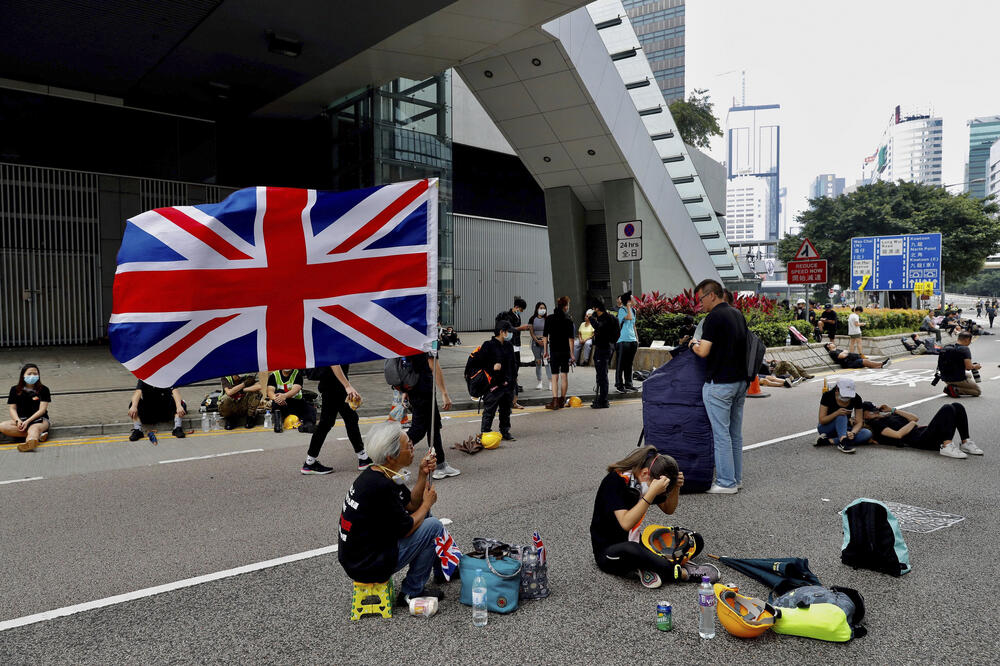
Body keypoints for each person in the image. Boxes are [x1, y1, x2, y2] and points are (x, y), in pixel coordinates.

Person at [337, 421, 445, 607]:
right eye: (407, 445)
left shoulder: (380, 472)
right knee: (433, 525)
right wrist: (426, 504)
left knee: (425, 516)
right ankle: (412, 592)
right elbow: (407, 529)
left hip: (363, 554)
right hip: (367, 564)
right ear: (391, 456)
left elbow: (411, 505)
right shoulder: (381, 485)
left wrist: (422, 474)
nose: (412, 447)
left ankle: (441, 570)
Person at [590, 446, 718, 588]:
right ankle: (681, 573)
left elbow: (668, 509)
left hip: (637, 541)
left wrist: (675, 488)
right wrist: (651, 493)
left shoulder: (646, 478)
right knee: (632, 550)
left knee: (695, 540)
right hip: (610, 552)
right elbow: (625, 523)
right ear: (645, 473)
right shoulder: (614, 481)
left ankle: (650, 565)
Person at [690, 278, 748, 494]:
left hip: (720, 384)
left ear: (711, 295)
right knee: (734, 434)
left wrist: (692, 343)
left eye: (701, 299)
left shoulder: (713, 317)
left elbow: (703, 351)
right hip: (740, 382)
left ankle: (726, 482)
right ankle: (736, 479)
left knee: (721, 434)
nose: (700, 304)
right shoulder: (736, 313)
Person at [304, 365, 371, 475]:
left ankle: (310, 462)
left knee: (327, 423)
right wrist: (347, 385)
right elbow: (334, 363)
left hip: (331, 386)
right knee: (350, 419)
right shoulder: (332, 347)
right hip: (335, 387)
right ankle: (363, 458)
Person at [404, 348, 459, 479]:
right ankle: (389, 455)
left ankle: (440, 465)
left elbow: (409, 364)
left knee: (433, 427)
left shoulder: (415, 336)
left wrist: (406, 390)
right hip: (424, 390)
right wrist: (444, 393)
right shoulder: (429, 340)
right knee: (418, 430)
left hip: (415, 388)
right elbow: (433, 365)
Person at [862, 401, 983, 459]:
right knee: (947, 408)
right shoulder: (875, 424)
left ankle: (965, 442)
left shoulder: (888, 416)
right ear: (864, 415)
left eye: (875, 408)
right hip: (918, 440)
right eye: (870, 410)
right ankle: (946, 446)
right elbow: (898, 435)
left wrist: (893, 410)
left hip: (922, 433)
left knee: (957, 406)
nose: (874, 411)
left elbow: (914, 417)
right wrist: (912, 424)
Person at [478, 320, 517, 441]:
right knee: (490, 410)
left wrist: (513, 383)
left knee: (506, 410)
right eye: (508, 332)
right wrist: (492, 367)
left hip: (507, 384)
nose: (510, 334)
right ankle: (485, 432)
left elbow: (513, 365)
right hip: (493, 385)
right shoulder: (488, 345)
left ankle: (505, 431)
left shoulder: (508, 346)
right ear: (502, 332)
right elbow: (479, 364)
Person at [2, 363, 51, 452]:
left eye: (35, 374)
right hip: (22, 419)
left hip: (40, 419)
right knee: (3, 426)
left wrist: (28, 421)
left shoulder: (44, 389)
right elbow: (12, 408)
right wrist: (17, 421)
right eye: (29, 374)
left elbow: (42, 410)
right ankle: (39, 435)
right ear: (23, 375)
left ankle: (30, 443)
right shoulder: (15, 389)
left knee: (34, 428)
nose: (32, 376)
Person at [815, 376, 872, 454]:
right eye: (844, 395)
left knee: (867, 433)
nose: (846, 398)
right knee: (842, 415)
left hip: (844, 428)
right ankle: (843, 443)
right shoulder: (827, 396)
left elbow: (859, 422)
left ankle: (829, 441)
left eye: (848, 396)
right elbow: (822, 420)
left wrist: (853, 433)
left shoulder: (857, 398)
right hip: (826, 428)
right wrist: (836, 413)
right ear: (837, 390)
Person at [495, 297, 531, 408]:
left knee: (516, 366)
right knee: (513, 369)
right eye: (521, 309)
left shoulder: (517, 315)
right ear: (516, 307)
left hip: (517, 344)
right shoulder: (507, 315)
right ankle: (512, 396)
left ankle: (512, 388)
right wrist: (521, 328)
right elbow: (510, 329)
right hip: (511, 344)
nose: (521, 311)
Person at [543, 295, 575, 410]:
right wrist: (572, 354)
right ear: (565, 307)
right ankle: (562, 400)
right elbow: (571, 339)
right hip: (565, 351)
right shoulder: (568, 320)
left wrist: (545, 351)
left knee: (554, 375)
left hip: (554, 350)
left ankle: (555, 401)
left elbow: (545, 336)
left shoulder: (549, 318)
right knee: (564, 375)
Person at [267, 369, 317, 433]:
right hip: (282, 404)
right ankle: (278, 425)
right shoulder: (274, 375)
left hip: (295, 402)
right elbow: (270, 391)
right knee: (278, 395)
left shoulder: (297, 374)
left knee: (310, 408)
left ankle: (308, 425)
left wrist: (284, 396)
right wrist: (276, 398)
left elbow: (296, 389)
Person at [590, 300, 620, 409]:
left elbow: (599, 328)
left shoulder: (607, 319)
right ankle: (601, 398)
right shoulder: (609, 317)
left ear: (597, 308)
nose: (593, 311)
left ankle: (603, 400)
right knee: (601, 374)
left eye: (594, 308)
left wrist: (591, 319)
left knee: (602, 375)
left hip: (603, 348)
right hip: (606, 347)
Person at [937, 332, 981, 397]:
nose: (969, 343)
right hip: (958, 378)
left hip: (945, 377)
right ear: (967, 339)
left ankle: (949, 387)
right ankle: (956, 389)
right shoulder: (964, 349)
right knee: (977, 392)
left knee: (969, 376)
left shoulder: (947, 347)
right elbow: (968, 367)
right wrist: (975, 366)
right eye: (970, 341)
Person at [615, 292, 639, 392]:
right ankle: (619, 385)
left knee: (629, 363)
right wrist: (628, 307)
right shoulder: (622, 310)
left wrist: (637, 338)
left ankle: (628, 383)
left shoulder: (634, 310)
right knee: (621, 364)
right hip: (622, 340)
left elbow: (633, 325)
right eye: (633, 299)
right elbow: (628, 317)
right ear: (628, 301)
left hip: (632, 340)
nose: (635, 300)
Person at [528, 302, 552, 390]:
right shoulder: (532, 319)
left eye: (544, 308)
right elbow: (531, 332)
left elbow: (550, 331)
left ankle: (550, 382)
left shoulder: (548, 318)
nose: (542, 309)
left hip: (545, 343)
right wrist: (537, 340)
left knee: (547, 362)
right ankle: (539, 382)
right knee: (538, 362)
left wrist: (545, 340)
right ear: (537, 309)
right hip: (535, 343)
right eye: (540, 308)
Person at [824, 343, 890, 369]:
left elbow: (846, 351)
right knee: (864, 361)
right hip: (848, 363)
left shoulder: (837, 350)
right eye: (831, 343)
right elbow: (842, 356)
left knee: (865, 362)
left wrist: (844, 352)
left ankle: (880, 365)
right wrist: (844, 352)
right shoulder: (832, 352)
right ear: (828, 346)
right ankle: (881, 364)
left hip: (851, 360)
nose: (832, 343)